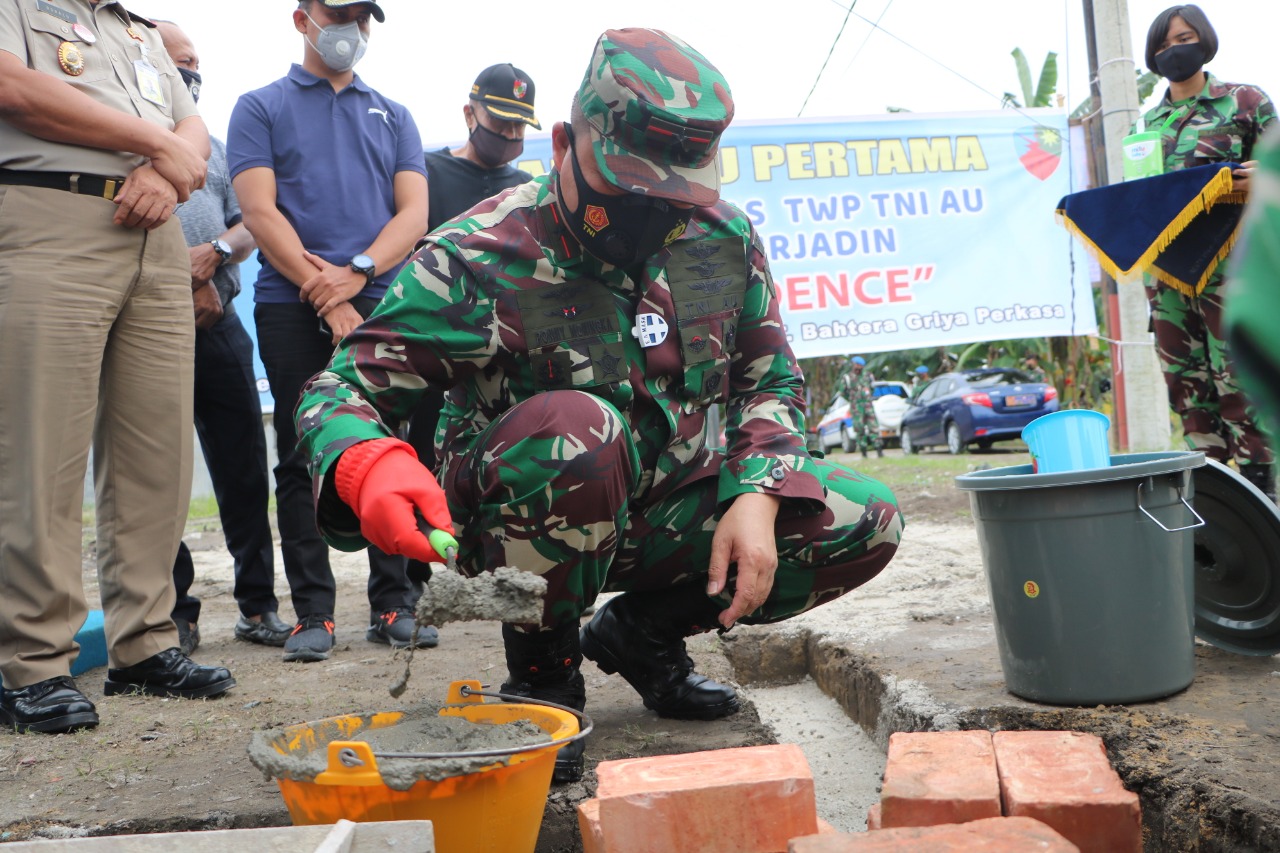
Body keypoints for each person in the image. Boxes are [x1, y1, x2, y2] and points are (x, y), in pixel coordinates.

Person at [294, 27, 904, 783]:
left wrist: (756, 489)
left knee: (863, 515)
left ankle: (641, 635)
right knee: (579, 429)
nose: (651, 213)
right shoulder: (479, 256)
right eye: (626, 188)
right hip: (520, 519)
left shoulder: (721, 238)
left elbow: (768, 378)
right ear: (561, 144)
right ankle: (544, 677)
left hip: (662, 506)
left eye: (672, 195)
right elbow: (340, 386)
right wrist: (366, 462)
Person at [0, 0, 236, 734]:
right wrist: (156, 145)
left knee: (154, 451)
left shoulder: (134, 25)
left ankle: (146, 643)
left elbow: (189, 122)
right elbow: (13, 87)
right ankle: (32, 661)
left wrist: (170, 171)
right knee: (41, 452)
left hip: (155, 230)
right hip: (51, 217)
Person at [227, 0, 434, 662]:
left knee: (389, 449)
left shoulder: (394, 114)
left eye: (362, 17)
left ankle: (394, 602)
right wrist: (324, 291)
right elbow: (259, 211)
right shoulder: (259, 107)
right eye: (338, 14)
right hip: (290, 305)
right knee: (298, 454)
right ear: (302, 19)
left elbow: (413, 214)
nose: (352, 29)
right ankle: (312, 613)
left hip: (379, 300)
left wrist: (359, 271)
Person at [156, 21, 291, 656]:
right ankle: (175, 614)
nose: (191, 74)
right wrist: (180, 285)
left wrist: (212, 256)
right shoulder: (118, 145)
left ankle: (257, 606)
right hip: (147, 335)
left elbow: (248, 230)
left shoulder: (209, 147)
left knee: (243, 473)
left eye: (196, 64)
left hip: (222, 333)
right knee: (155, 481)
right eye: (180, 63)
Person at [1134, 4, 1276, 496]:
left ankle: (1266, 499)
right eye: (1164, 45)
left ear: (1206, 41)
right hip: (1168, 279)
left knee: (1241, 386)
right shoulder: (1147, 124)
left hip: (1234, 273)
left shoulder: (1245, 101)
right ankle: (1214, 505)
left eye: (1185, 38)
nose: (1175, 50)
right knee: (1187, 386)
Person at [407, 63, 539, 477]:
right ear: (470, 115)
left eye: (520, 127)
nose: (510, 136)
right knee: (423, 458)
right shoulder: (426, 174)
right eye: (501, 123)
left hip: (502, 351)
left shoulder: (523, 186)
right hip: (437, 341)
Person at [838, 357, 883, 459]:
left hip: (868, 406)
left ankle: (879, 451)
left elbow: (872, 388)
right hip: (856, 408)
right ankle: (864, 453)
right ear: (853, 364)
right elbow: (843, 392)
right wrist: (853, 400)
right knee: (860, 430)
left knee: (874, 428)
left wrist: (867, 397)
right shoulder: (847, 378)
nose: (858, 366)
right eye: (856, 364)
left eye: (860, 365)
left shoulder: (868, 376)